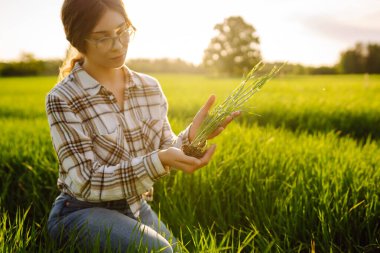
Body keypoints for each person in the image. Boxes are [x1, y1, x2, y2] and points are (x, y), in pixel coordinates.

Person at [46, 0, 240, 252]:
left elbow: (165, 147)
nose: (118, 45)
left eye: (122, 30)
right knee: (160, 251)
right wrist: (159, 160)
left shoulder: (149, 88)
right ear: (77, 41)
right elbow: (86, 182)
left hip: (136, 206)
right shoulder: (63, 98)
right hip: (79, 212)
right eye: (102, 38)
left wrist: (193, 136)